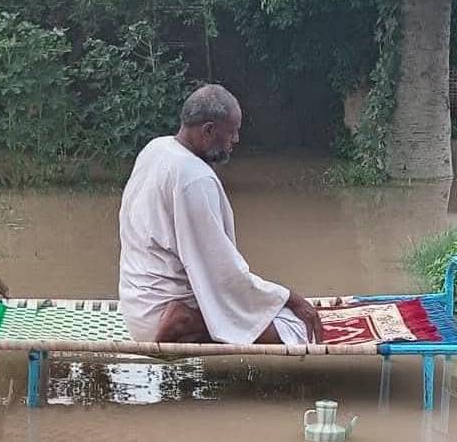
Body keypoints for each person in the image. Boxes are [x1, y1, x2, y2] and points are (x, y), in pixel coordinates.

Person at [118, 84, 323, 345]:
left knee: (267, 313)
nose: (235, 140)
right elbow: (223, 273)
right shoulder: (194, 177)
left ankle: (189, 319)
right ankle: (187, 321)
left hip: (136, 308)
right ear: (208, 131)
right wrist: (290, 298)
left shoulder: (156, 148)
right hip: (161, 315)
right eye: (232, 131)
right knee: (294, 329)